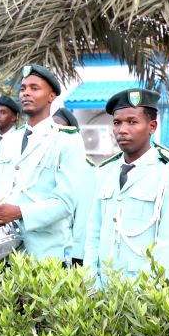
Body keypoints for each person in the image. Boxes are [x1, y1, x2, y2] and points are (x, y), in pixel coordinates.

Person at [84, 89, 169, 281]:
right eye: (117, 123)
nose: (122, 130)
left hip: (149, 292)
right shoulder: (105, 171)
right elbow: (94, 232)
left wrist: (142, 290)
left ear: (152, 127)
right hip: (104, 288)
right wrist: (91, 280)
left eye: (132, 122)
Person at [0, 65, 88, 261]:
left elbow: (65, 203)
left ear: (51, 96)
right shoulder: (10, 141)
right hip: (4, 252)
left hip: (44, 256)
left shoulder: (67, 141)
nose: (26, 93)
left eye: (34, 88)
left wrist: (19, 212)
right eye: (23, 88)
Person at [52, 106, 97, 266]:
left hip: (68, 252)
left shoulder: (85, 166)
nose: (57, 133)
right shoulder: (45, 160)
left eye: (62, 128)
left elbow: (83, 217)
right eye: (53, 127)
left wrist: (75, 255)